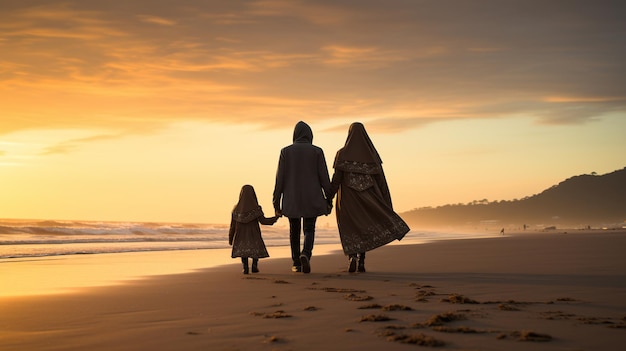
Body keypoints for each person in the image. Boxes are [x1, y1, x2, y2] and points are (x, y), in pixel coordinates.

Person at [329, 122, 410, 273]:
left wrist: (328, 198)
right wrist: (387, 204)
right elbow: (382, 181)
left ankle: (352, 256)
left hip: (348, 201)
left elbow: (336, 180)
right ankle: (362, 261)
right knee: (364, 227)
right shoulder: (372, 156)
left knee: (351, 228)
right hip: (369, 200)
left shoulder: (342, 154)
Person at [273, 121, 332, 274]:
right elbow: (324, 177)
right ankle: (306, 253)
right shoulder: (317, 151)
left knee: (294, 230)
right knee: (309, 228)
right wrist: (329, 199)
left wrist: (276, 203)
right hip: (312, 197)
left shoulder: (286, 152)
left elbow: (280, 179)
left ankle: (296, 263)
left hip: (291, 198)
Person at [229, 185, 279, 274]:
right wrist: (275, 218)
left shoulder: (236, 210)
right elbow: (264, 221)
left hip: (240, 235)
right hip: (254, 234)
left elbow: (232, 226)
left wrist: (230, 238)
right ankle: (254, 265)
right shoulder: (256, 209)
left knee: (243, 251)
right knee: (255, 249)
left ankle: (245, 267)